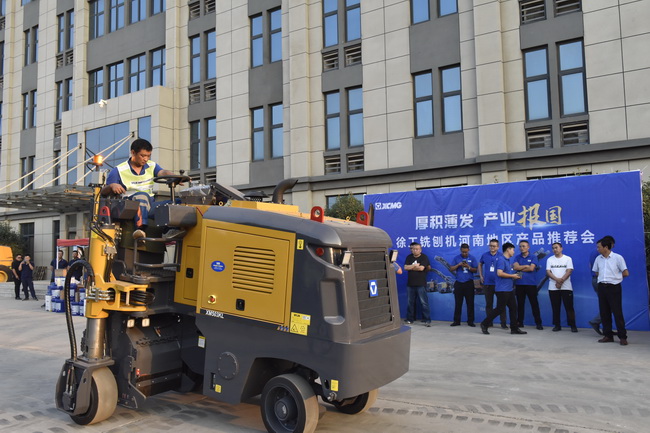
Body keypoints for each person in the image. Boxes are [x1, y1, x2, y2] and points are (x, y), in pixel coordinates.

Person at [101, 138, 177, 238]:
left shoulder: (151, 165)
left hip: (150, 205)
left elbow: (163, 173)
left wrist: (175, 177)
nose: (146, 159)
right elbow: (103, 192)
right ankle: (140, 229)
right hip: (130, 206)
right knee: (142, 196)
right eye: (143, 156)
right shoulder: (118, 170)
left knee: (177, 203)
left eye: (148, 156)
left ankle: (170, 230)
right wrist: (112, 186)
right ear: (133, 153)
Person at [480, 243, 526, 335]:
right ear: (508, 250)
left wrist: (514, 276)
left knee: (513, 308)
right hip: (502, 289)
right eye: (513, 249)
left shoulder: (507, 260)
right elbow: (499, 273)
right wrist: (512, 275)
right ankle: (484, 323)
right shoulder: (501, 260)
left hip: (509, 289)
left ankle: (514, 328)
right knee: (500, 309)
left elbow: (506, 273)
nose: (514, 251)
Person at [592, 237, 629, 345]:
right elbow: (596, 272)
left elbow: (626, 273)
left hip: (614, 287)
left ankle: (622, 337)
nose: (597, 249)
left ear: (606, 247)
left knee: (617, 312)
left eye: (599, 247)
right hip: (602, 287)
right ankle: (608, 335)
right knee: (604, 312)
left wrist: (614, 277)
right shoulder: (598, 259)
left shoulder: (618, 258)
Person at [546, 242, 577, 332]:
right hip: (553, 287)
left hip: (566, 287)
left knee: (569, 307)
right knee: (555, 307)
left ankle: (572, 325)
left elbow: (569, 271)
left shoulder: (568, 259)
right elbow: (548, 272)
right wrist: (557, 280)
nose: (555, 249)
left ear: (561, 248)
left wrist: (561, 280)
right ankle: (557, 325)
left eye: (556, 247)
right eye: (553, 248)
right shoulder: (550, 259)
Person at [588, 235, 615, 335]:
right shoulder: (599, 254)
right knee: (608, 305)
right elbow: (597, 270)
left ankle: (606, 329)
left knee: (608, 305)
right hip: (600, 281)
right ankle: (596, 322)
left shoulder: (594, 253)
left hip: (596, 280)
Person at [513, 240, 543, 330]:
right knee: (520, 304)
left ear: (528, 247)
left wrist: (521, 268)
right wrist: (526, 266)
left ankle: (538, 323)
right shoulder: (517, 257)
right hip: (519, 284)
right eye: (520, 246)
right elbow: (515, 267)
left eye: (524, 246)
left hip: (531, 284)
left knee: (534, 304)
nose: (522, 248)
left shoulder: (533, 257)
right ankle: (520, 322)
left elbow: (531, 269)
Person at [478, 239, 507, 329]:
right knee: (489, 304)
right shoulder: (485, 255)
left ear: (498, 247)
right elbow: (480, 264)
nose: (492, 247)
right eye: (490, 245)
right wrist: (481, 275)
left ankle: (503, 323)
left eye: (494, 246)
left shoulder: (502, 256)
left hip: (499, 284)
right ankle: (489, 322)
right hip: (487, 284)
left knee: (501, 305)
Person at [404, 242, 431, 327]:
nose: (415, 251)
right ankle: (410, 319)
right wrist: (415, 266)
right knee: (410, 302)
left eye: (417, 249)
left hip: (420, 283)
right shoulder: (409, 257)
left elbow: (421, 268)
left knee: (424, 302)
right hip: (410, 284)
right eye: (413, 249)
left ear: (420, 250)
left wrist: (411, 267)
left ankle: (427, 319)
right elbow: (405, 267)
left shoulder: (424, 257)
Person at [449, 243, 477, 327]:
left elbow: (475, 270)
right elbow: (451, 269)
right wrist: (458, 265)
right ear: (460, 250)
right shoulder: (456, 258)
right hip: (459, 283)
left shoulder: (472, 258)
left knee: (470, 303)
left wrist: (468, 267)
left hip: (469, 283)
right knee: (458, 303)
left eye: (466, 252)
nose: (464, 253)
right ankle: (457, 321)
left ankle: (470, 321)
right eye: (463, 252)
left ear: (469, 250)